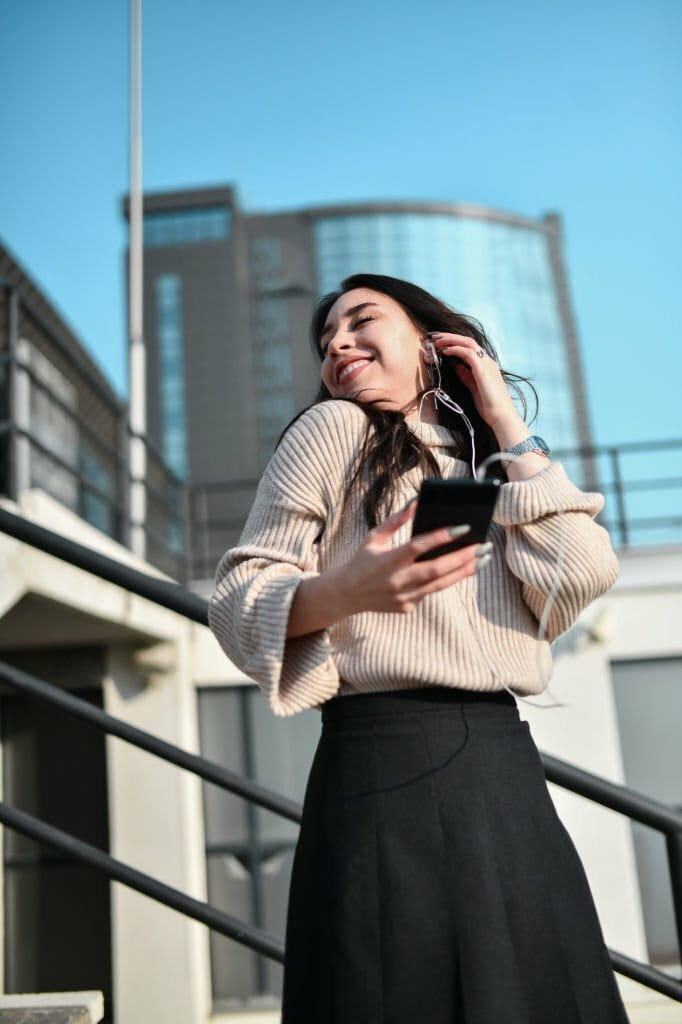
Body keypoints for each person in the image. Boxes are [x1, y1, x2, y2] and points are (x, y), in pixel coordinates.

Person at [208, 274, 628, 1023]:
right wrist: (347, 589)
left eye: (362, 321)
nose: (337, 344)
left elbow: (582, 571)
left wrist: (505, 424)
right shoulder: (335, 428)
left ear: (433, 345)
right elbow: (239, 598)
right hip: (384, 759)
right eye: (326, 339)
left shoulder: (486, 467)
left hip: (502, 766)